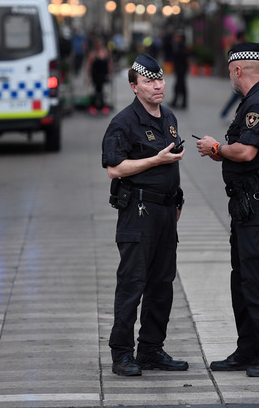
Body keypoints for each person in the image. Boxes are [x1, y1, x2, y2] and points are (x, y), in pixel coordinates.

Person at [194, 42, 259, 378]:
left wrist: (215, 148)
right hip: (246, 201)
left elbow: (246, 151)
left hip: (254, 199)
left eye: (229, 71)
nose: (230, 77)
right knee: (242, 277)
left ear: (238, 70)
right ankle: (250, 349)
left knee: (255, 277)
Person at [101, 53, 188, 377]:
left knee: (162, 284)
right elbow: (114, 168)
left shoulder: (168, 116)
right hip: (137, 213)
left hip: (165, 213)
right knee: (132, 283)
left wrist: (177, 200)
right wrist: (155, 161)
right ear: (134, 86)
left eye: (160, 79)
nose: (158, 86)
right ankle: (122, 353)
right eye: (150, 81)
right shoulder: (123, 123)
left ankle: (151, 348)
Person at [219, 31, 247, 121]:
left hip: (238, 76)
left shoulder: (235, 46)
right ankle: (225, 113)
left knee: (242, 98)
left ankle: (239, 116)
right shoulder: (238, 47)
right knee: (239, 97)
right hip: (238, 76)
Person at [87, 39, 112, 115]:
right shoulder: (93, 54)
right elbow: (89, 65)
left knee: (101, 90)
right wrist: (88, 76)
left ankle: (102, 105)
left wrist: (110, 74)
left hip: (103, 74)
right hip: (95, 74)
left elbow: (109, 64)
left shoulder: (106, 53)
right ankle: (95, 105)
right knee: (97, 90)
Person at [169, 30, 189, 109]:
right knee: (180, 86)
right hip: (179, 68)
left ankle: (179, 102)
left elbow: (183, 58)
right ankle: (180, 102)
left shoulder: (182, 46)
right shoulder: (178, 45)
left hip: (181, 69)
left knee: (180, 86)